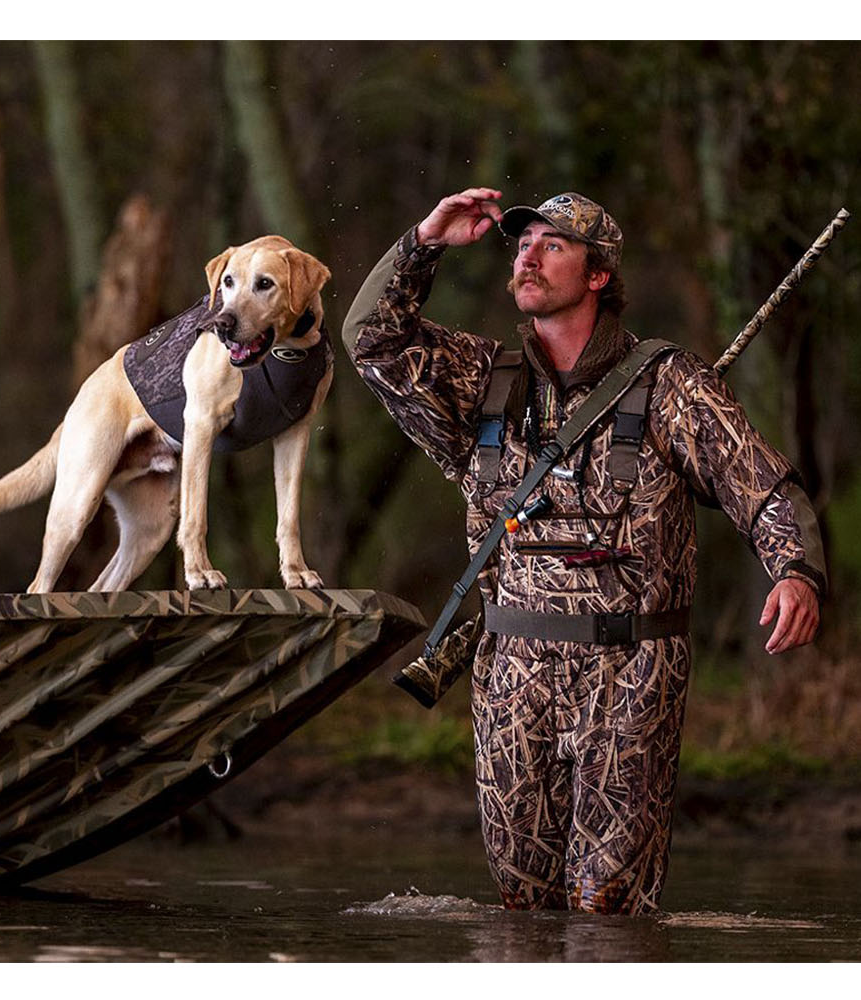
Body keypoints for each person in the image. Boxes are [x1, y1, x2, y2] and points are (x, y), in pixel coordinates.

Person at [342, 188, 826, 914]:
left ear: (598, 274)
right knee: (522, 907)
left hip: (631, 674)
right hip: (511, 674)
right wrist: (425, 242)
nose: (528, 256)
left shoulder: (670, 383)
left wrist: (796, 571)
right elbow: (371, 340)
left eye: (552, 245)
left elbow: (760, 485)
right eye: (522, 245)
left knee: (608, 911)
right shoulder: (482, 381)